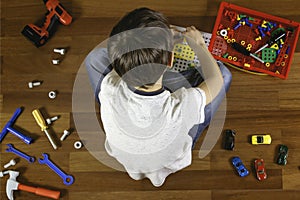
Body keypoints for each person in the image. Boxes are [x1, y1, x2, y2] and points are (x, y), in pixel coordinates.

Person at [85, 7, 232, 187]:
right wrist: (198, 45)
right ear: (170, 61)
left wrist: (157, 41)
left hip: (130, 160)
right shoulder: (181, 108)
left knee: (94, 58)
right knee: (224, 75)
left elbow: (119, 56)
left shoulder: (110, 86)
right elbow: (215, 79)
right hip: (169, 156)